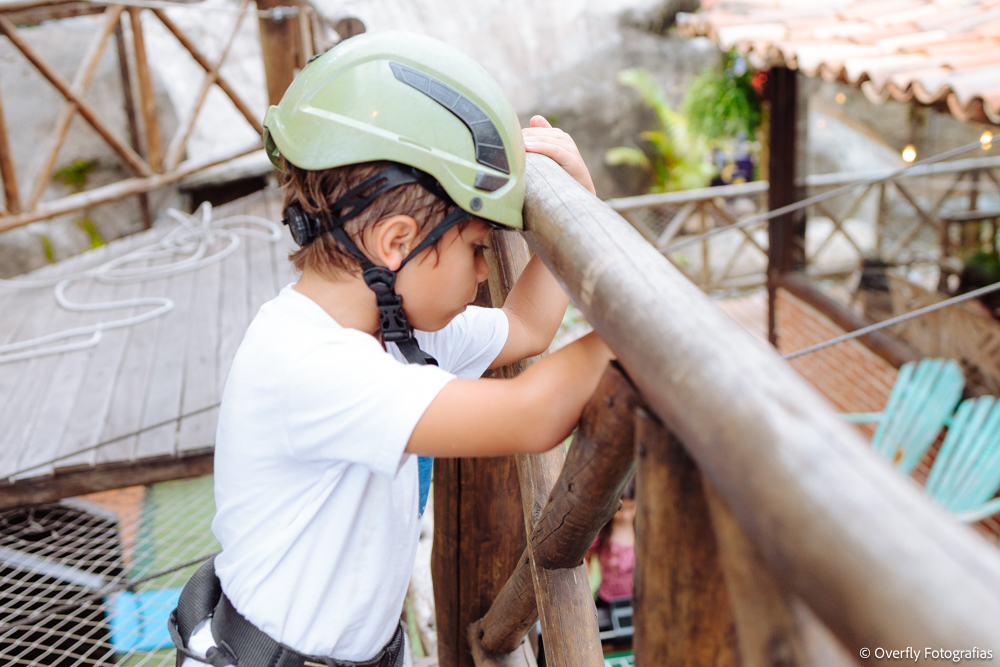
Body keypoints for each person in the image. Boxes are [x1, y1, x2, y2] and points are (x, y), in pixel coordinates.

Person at [168, 30, 613, 667]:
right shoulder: (311, 366)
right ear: (396, 242)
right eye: (475, 249)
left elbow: (528, 329)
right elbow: (536, 411)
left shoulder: (390, 334)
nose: (484, 274)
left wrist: (582, 199)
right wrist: (669, 337)